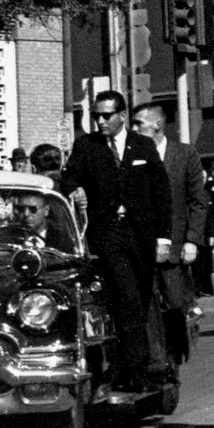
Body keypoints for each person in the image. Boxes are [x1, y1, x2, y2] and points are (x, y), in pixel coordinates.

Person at [57, 89, 173, 392]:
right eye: (96, 115)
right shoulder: (87, 146)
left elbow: (161, 193)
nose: (101, 121)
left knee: (143, 297)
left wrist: (163, 238)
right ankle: (133, 370)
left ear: (122, 115)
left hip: (142, 234)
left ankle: (147, 364)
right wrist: (74, 189)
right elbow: (68, 176)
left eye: (107, 115)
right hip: (109, 232)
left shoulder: (143, 146)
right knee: (126, 296)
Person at [131, 103, 208, 366]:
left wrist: (192, 240)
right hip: (142, 247)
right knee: (146, 309)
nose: (134, 129)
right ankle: (156, 361)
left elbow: (198, 201)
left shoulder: (185, 155)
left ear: (157, 125)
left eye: (139, 123)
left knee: (175, 304)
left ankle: (176, 352)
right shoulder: (132, 156)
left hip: (174, 248)